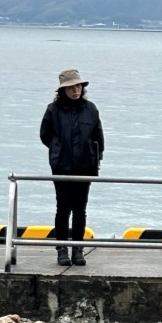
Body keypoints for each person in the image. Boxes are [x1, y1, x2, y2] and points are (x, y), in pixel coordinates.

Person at [40, 69, 104, 267]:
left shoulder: (91, 109)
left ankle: (78, 249)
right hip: (62, 166)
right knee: (63, 208)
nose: (76, 90)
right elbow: (45, 135)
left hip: (85, 166)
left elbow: (98, 136)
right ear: (63, 90)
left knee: (80, 209)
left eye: (78, 86)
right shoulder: (53, 110)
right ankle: (62, 250)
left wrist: (96, 157)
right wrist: (58, 149)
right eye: (71, 87)